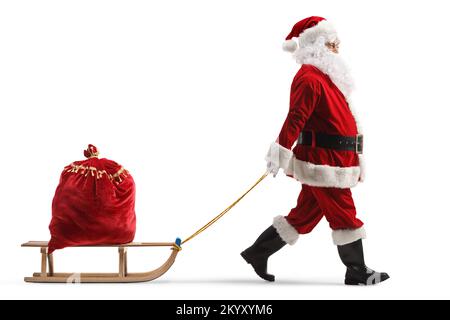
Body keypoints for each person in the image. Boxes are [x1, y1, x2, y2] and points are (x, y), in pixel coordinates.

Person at [241, 16, 389, 285]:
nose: (337, 48)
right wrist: (280, 151)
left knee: (304, 215)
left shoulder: (326, 77)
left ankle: (256, 253)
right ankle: (356, 270)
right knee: (343, 211)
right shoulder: (309, 78)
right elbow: (296, 117)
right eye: (332, 43)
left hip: (333, 160)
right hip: (324, 163)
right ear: (315, 45)